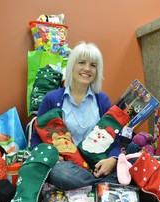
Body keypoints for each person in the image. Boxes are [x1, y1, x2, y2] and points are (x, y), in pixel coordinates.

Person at [31, 41, 121, 190]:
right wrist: (52, 158)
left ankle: (89, 187)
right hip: (67, 167)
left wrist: (113, 160)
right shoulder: (51, 99)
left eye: (93, 65)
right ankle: (102, 187)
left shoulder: (102, 100)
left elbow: (114, 138)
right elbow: (36, 140)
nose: (87, 69)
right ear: (72, 65)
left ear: (97, 71)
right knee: (61, 174)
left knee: (132, 160)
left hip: (98, 164)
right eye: (81, 63)